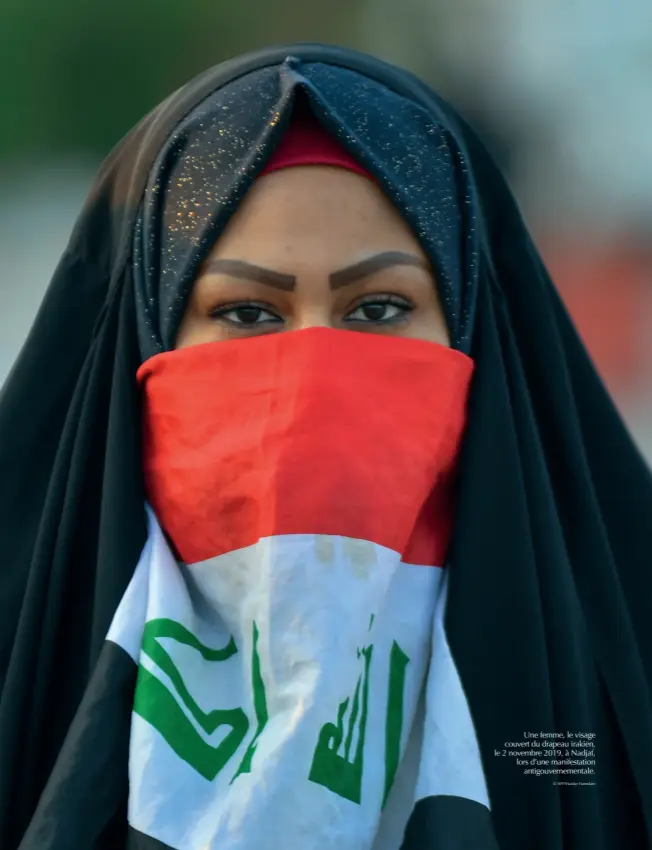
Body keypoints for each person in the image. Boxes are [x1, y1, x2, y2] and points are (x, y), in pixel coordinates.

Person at [0, 44, 650, 850]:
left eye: (378, 308)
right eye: (247, 313)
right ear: (146, 336)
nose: (314, 375)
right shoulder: (19, 663)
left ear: (475, 329)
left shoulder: (615, 687)